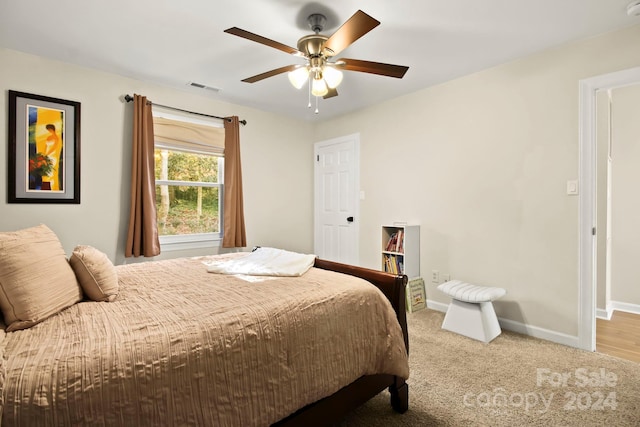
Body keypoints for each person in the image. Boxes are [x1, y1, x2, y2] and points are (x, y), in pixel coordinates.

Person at [41, 124, 62, 191]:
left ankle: (52, 188)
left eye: (49, 129)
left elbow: (54, 148)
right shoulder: (48, 137)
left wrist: (47, 154)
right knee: (46, 171)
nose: (49, 131)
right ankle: (46, 187)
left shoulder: (56, 138)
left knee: (50, 171)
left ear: (52, 129)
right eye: (48, 130)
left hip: (52, 156)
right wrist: (44, 155)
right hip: (46, 155)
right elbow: (45, 147)